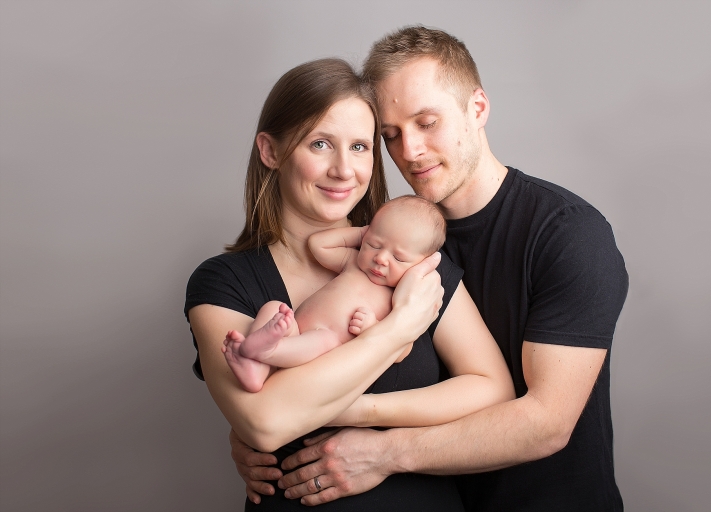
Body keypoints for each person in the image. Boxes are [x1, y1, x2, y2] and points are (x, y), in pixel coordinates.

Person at [231, 27, 629, 511]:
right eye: (391, 135)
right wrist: (258, 427)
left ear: (477, 108)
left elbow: (546, 423)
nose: (410, 151)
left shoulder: (567, 235)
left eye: (427, 122)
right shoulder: (390, 237)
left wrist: (378, 448)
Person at [185, 57, 514, 511]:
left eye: (360, 147)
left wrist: (370, 426)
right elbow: (266, 424)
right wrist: (396, 330)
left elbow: (492, 389)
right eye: (320, 143)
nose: (344, 170)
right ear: (271, 151)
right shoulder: (224, 282)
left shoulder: (411, 262)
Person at [222, 195, 448, 394]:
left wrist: (371, 327)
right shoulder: (354, 263)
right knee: (274, 307)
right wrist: (362, 233)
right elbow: (318, 244)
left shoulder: (402, 297)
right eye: (375, 244)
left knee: (324, 340)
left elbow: (401, 349)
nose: (381, 259)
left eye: (399, 258)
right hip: (295, 328)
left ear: (423, 263)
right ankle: (255, 371)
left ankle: (265, 351)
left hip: (323, 341)